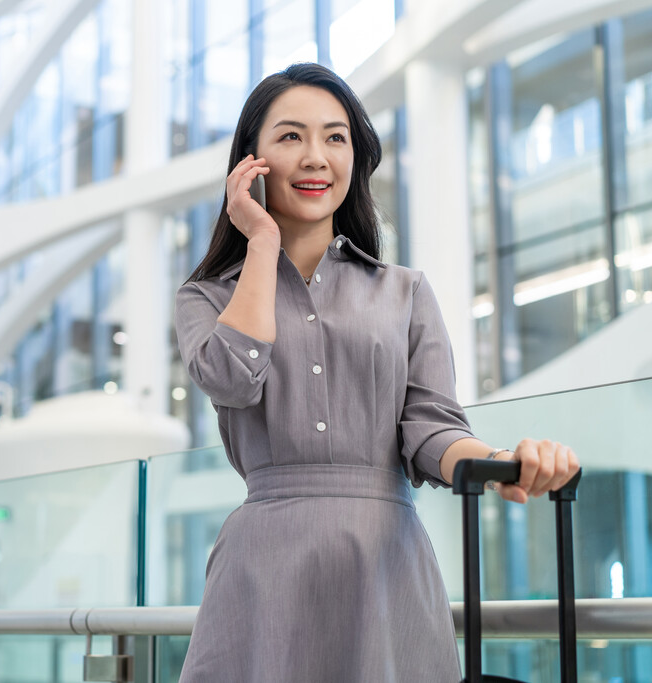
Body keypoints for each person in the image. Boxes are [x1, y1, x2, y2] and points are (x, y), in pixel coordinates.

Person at [174, 62, 581, 682]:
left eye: (335, 138)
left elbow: (430, 430)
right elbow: (232, 380)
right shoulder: (206, 297)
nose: (316, 157)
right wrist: (258, 242)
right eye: (290, 137)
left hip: (384, 562)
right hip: (263, 567)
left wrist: (499, 464)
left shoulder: (406, 291)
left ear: (355, 159)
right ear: (249, 166)